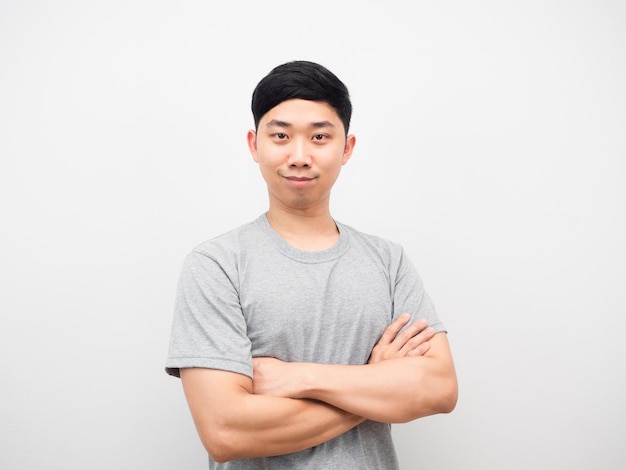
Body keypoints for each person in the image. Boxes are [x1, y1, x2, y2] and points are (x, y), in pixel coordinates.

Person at [165, 60, 458, 469]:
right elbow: (225, 432)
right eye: (281, 135)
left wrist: (299, 378)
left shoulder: (388, 261)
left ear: (347, 148)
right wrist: (374, 384)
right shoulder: (216, 265)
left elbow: (440, 389)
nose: (299, 155)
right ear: (254, 145)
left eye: (319, 136)